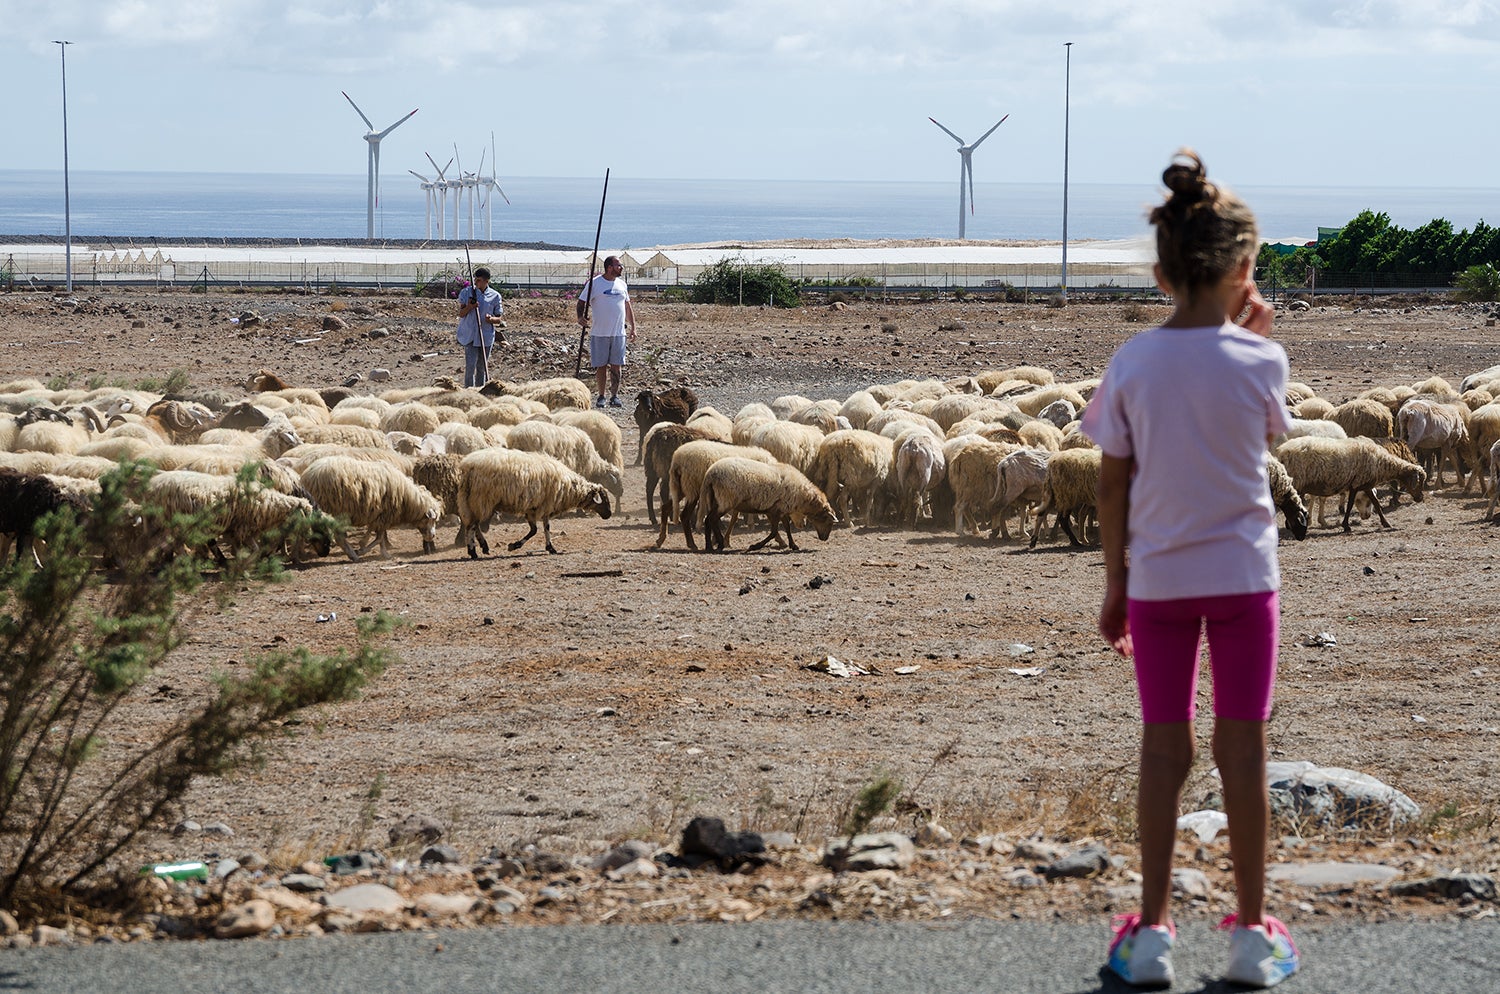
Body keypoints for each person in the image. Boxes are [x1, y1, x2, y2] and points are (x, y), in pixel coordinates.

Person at [1081, 150, 1300, 990]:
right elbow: (1260, 434)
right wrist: (1252, 337)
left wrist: (1115, 584)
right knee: (1243, 747)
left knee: (1162, 746)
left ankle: (1151, 937)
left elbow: (1111, 482)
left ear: (1161, 272)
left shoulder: (1132, 361)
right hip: (1244, 580)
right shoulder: (1263, 360)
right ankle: (1251, 936)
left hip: (1159, 583)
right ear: (1245, 271)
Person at [576, 255, 636, 408]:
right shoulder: (594, 283)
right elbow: (581, 302)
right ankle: (601, 396)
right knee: (601, 366)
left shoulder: (622, 284)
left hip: (618, 333)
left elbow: (627, 307)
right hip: (599, 333)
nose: (621, 268)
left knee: (617, 365)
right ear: (609, 267)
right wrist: (580, 317)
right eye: (618, 265)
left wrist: (633, 328)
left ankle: (614, 396)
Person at [456, 267, 504, 388]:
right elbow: (461, 314)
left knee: (482, 367)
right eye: (475, 279)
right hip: (470, 336)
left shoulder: (495, 296)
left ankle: (480, 390)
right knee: (470, 366)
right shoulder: (467, 293)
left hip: (485, 336)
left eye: (479, 280)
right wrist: (470, 307)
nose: (475, 282)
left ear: (486, 281)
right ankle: (469, 391)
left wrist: (491, 319)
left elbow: (499, 319)